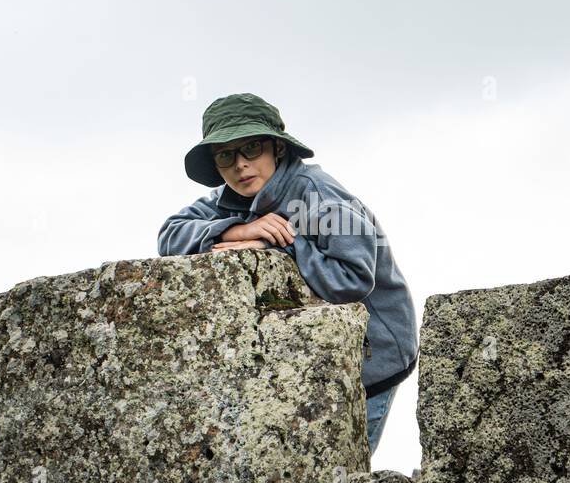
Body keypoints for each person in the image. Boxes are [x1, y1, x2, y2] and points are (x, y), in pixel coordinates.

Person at [157, 92, 418, 458]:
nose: (240, 165)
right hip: (302, 353)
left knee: (337, 470)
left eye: (251, 148)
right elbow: (169, 234)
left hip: (375, 355)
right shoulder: (230, 196)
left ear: (276, 148)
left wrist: (282, 244)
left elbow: (353, 279)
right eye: (226, 155)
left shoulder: (319, 195)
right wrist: (236, 231)